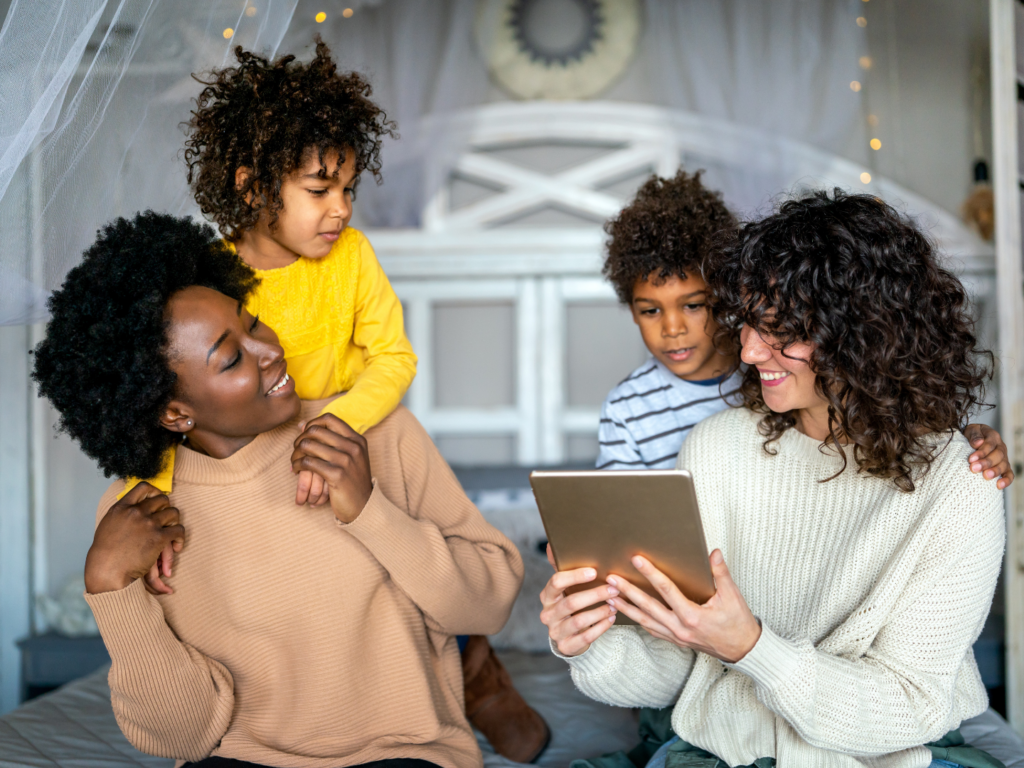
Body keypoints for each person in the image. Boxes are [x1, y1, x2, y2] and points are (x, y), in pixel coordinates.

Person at [153, 38, 550, 759]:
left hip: (349, 425)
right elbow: (173, 394)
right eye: (318, 190)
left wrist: (338, 422)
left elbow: (393, 357)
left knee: (416, 532)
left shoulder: (352, 256)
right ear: (250, 187)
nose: (340, 210)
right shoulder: (210, 281)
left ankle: (477, 671)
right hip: (253, 445)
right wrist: (144, 495)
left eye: (348, 189)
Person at [32, 212, 525, 768]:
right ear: (175, 412)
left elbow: (488, 604)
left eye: (254, 324)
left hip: (401, 754)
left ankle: (485, 680)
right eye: (232, 357)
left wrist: (369, 510)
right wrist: (108, 585)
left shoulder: (373, 432)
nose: (271, 350)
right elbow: (183, 740)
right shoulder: (139, 515)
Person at [542, 191, 1006, 768]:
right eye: (746, 322)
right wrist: (589, 644)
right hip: (720, 753)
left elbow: (908, 703)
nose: (748, 348)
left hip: (896, 753)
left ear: (862, 332)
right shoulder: (717, 448)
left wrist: (752, 647)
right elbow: (682, 671)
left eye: (780, 329)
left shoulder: (960, 484)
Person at [597, 170, 1014, 483]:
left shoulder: (774, 381)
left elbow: (894, 419)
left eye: (692, 305)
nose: (750, 352)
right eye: (650, 310)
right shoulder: (667, 412)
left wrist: (966, 441)